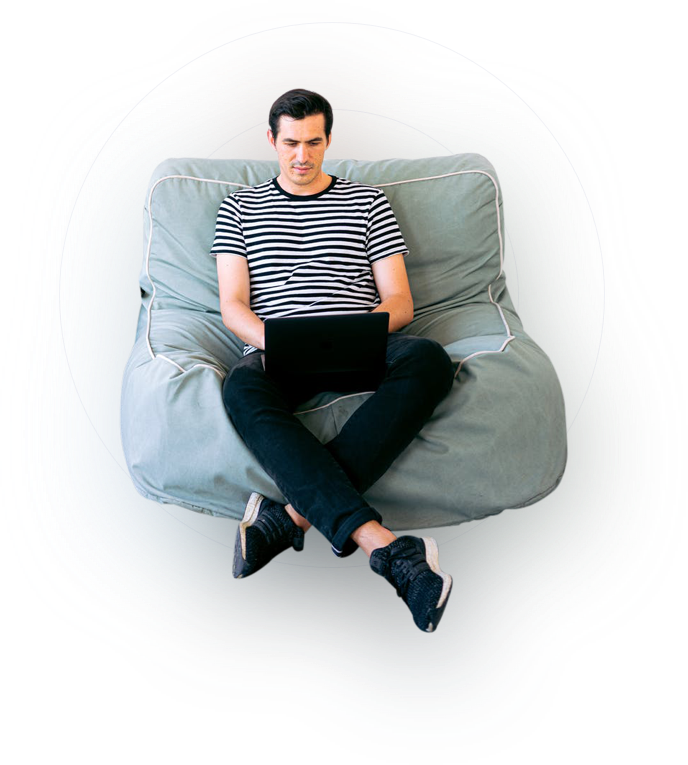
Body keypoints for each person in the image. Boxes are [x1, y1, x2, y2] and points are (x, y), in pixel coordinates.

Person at [210, 88, 456, 633]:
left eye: (313, 143)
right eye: (291, 143)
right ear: (271, 140)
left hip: (358, 341)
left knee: (430, 359)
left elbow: (400, 302)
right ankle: (388, 550)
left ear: (328, 140)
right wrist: (277, 342)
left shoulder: (369, 201)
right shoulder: (238, 207)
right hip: (277, 348)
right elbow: (233, 306)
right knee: (240, 388)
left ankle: (290, 518)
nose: (302, 155)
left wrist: (358, 331)